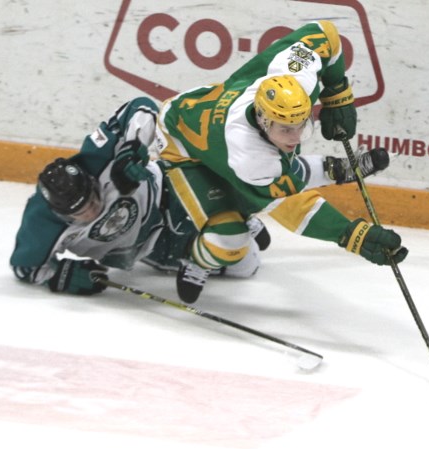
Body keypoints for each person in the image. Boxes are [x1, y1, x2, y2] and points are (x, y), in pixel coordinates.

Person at [134, 20, 407, 303]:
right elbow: (290, 203)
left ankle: (249, 202)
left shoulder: (295, 80)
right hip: (182, 146)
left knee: (267, 180)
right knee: (228, 240)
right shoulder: (248, 154)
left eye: (301, 124)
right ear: (263, 120)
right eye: (286, 129)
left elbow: (325, 33)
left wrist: (337, 92)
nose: (296, 136)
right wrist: (351, 235)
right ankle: (198, 260)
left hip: (202, 110)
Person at [9, 97, 267, 295]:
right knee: (247, 264)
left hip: (169, 191)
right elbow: (25, 268)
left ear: (89, 179)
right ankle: (227, 230)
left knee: (205, 167)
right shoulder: (41, 223)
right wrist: (59, 277)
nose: (92, 211)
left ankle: (235, 214)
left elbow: (142, 106)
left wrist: (131, 148)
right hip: (153, 245)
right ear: (61, 213)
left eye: (92, 199)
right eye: (81, 213)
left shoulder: (97, 157)